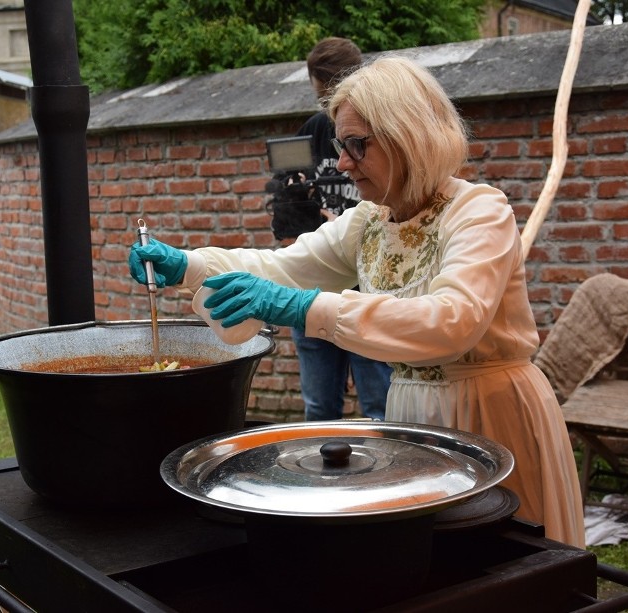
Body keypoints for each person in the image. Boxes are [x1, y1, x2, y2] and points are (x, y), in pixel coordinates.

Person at [128, 56, 585, 547]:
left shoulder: (479, 212)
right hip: (411, 412)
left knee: (510, 559)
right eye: (341, 145)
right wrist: (188, 264)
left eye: (356, 145)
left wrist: (309, 309)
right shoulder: (369, 220)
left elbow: (451, 323)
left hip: (492, 413)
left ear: (407, 135)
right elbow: (283, 266)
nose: (343, 162)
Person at [276, 37, 392, 422]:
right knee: (323, 409)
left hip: (368, 297)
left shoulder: (384, 133)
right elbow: (286, 209)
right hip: (314, 297)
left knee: (379, 408)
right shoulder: (309, 132)